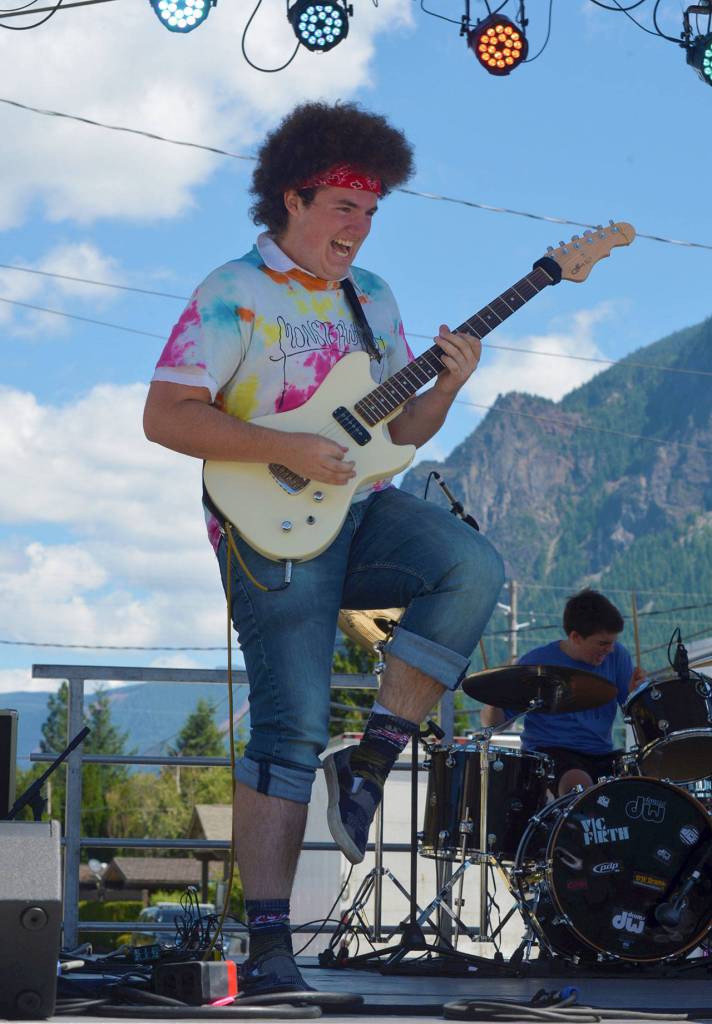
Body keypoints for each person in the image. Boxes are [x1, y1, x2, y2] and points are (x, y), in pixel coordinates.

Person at [143, 101, 504, 995]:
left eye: (373, 209)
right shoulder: (231, 291)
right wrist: (284, 446)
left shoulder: (372, 296)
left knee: (472, 566)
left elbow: (400, 432)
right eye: (345, 206)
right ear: (293, 199)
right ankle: (270, 956)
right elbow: (165, 416)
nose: (362, 226)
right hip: (267, 526)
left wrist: (450, 388)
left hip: (363, 505)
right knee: (289, 727)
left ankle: (374, 758)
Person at [481, 589, 646, 797]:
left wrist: (637, 694)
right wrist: (493, 697)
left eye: (612, 642)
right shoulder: (535, 664)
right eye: (603, 643)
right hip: (549, 755)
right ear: (575, 637)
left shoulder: (618, 656)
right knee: (577, 783)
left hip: (601, 754)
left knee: (641, 782)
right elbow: (494, 726)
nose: (610, 650)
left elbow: (636, 715)